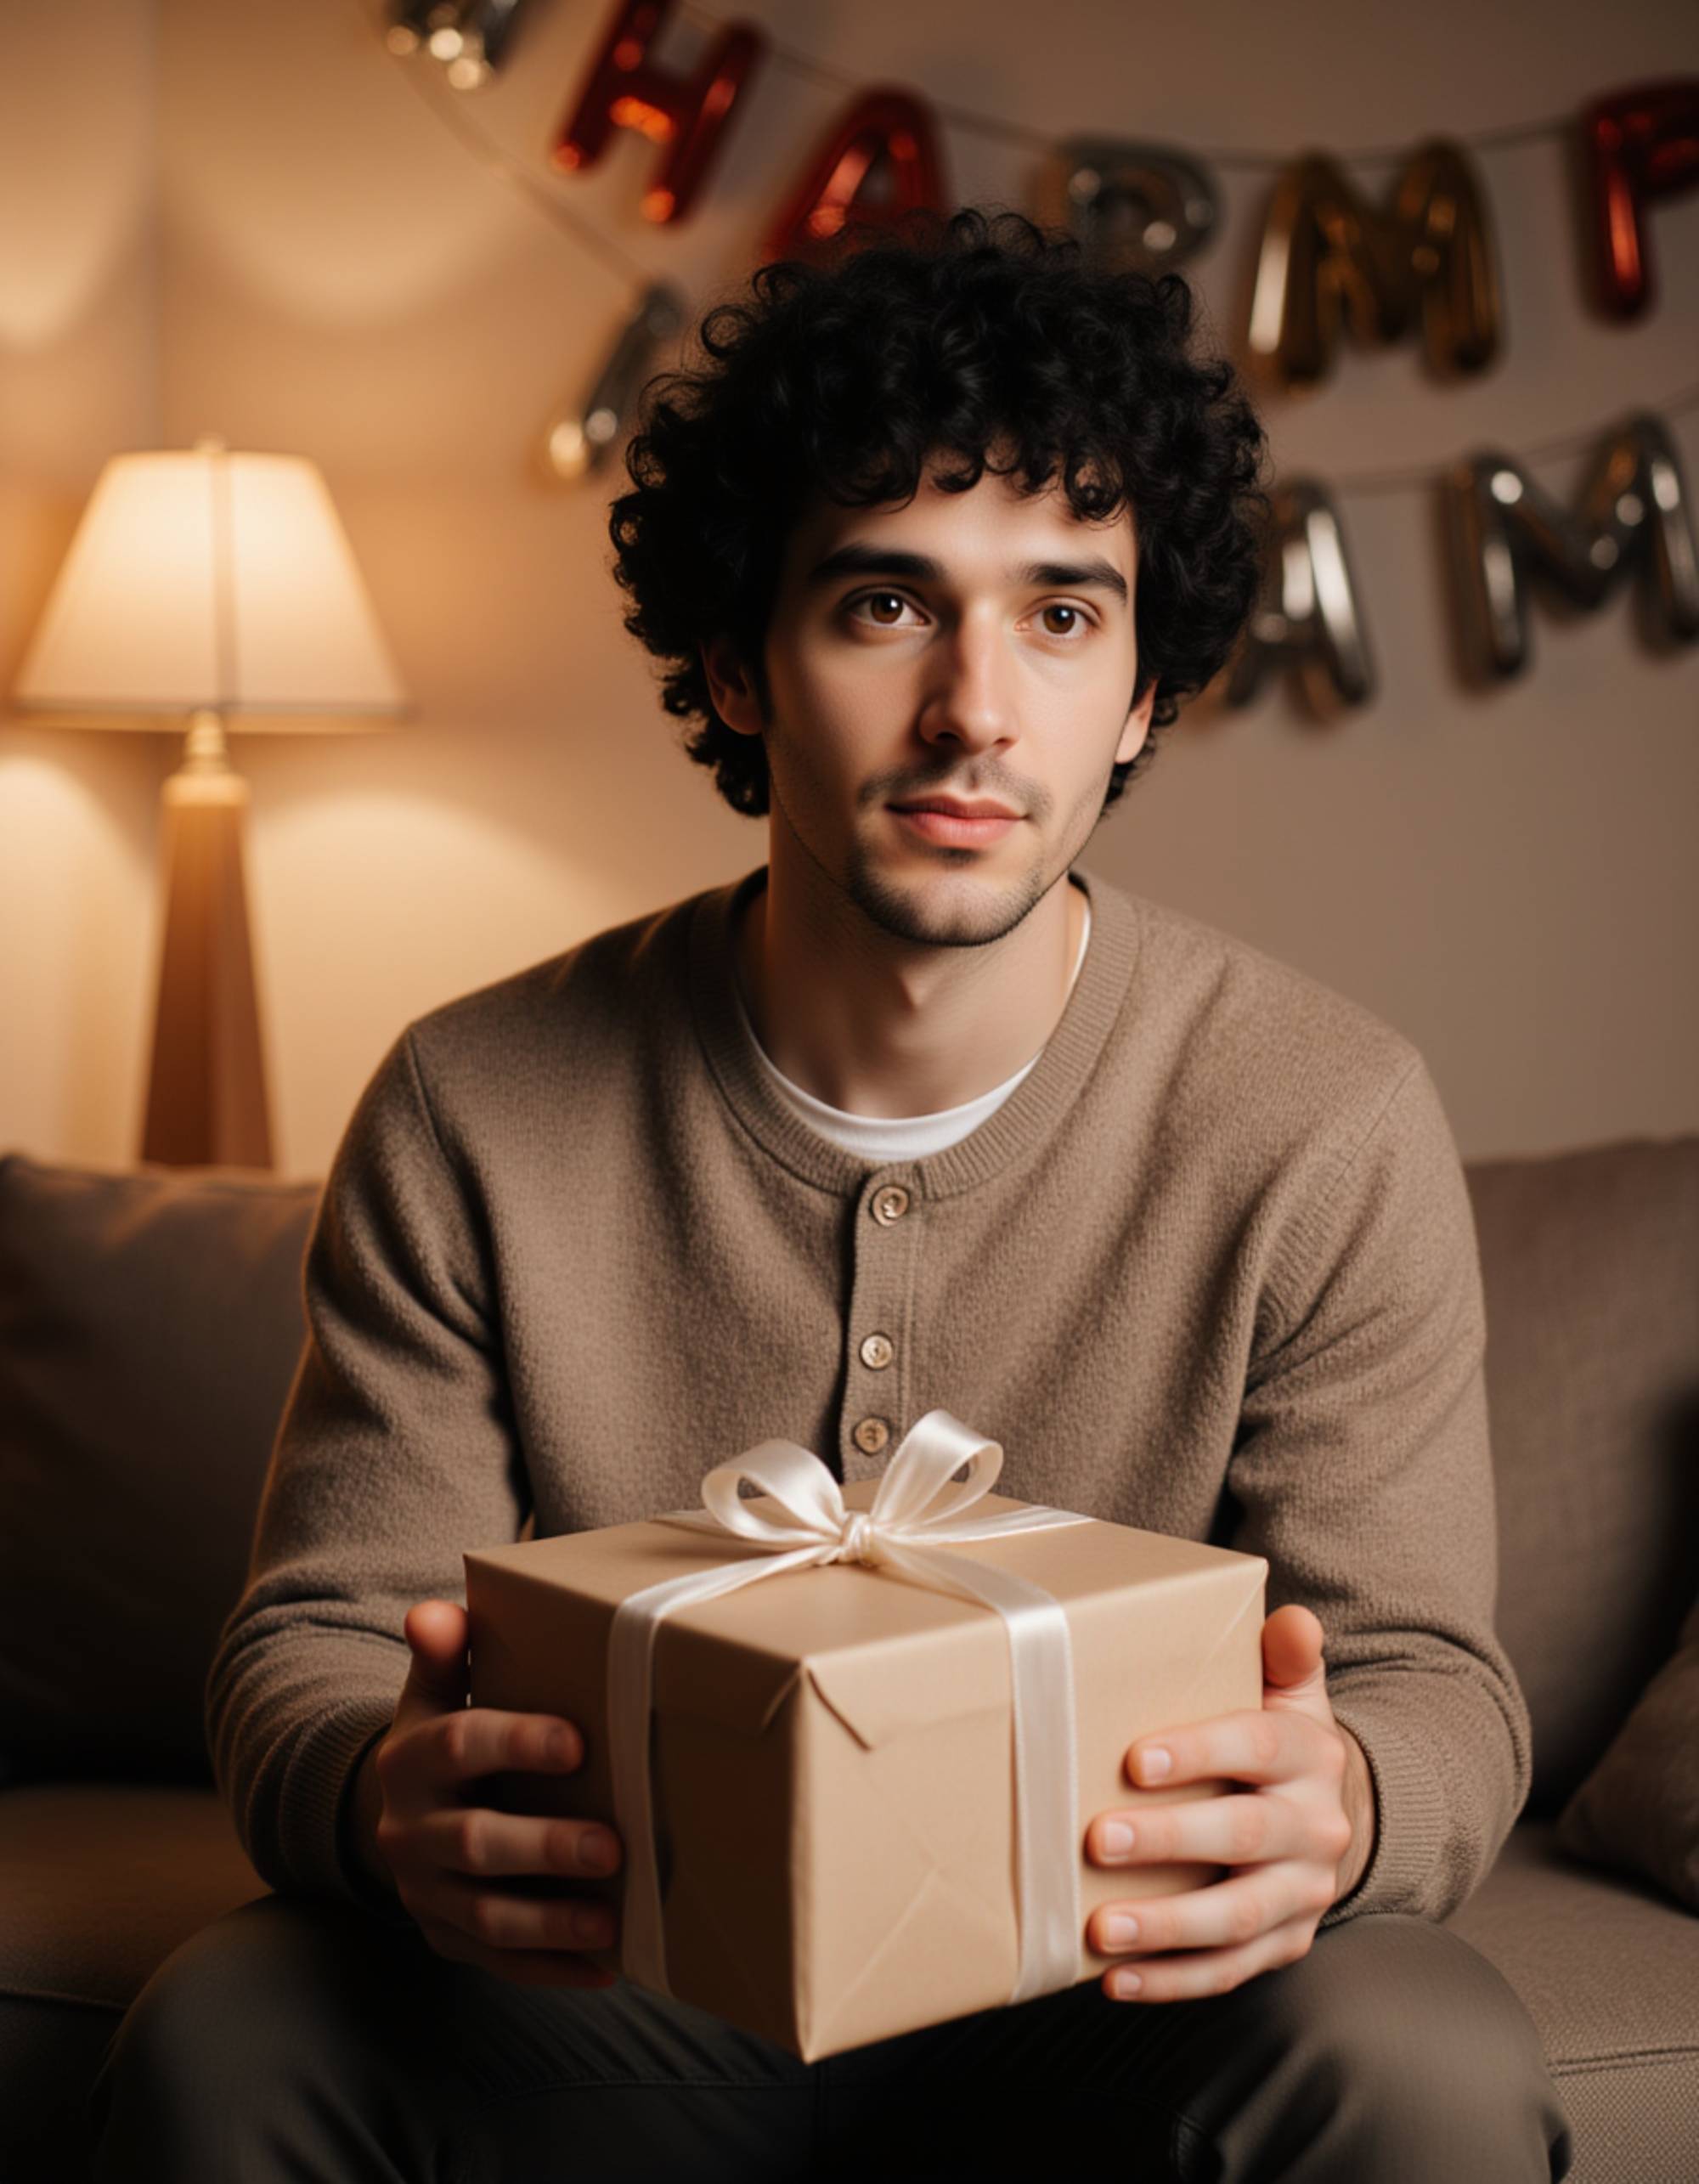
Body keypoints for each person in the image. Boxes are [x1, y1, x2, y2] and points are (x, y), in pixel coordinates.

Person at [88, 205, 1574, 2182]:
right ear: (736, 659)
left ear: (1139, 689)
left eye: (1061, 614)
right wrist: (383, 1795)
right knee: (234, 2027)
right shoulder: (476, 1097)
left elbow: (1428, 1683)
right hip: (623, 2003)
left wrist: (1360, 1800)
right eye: (885, 604)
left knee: (1422, 2053)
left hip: (1123, 1999)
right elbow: (316, 1642)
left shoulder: (1321, 1114)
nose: (976, 706)